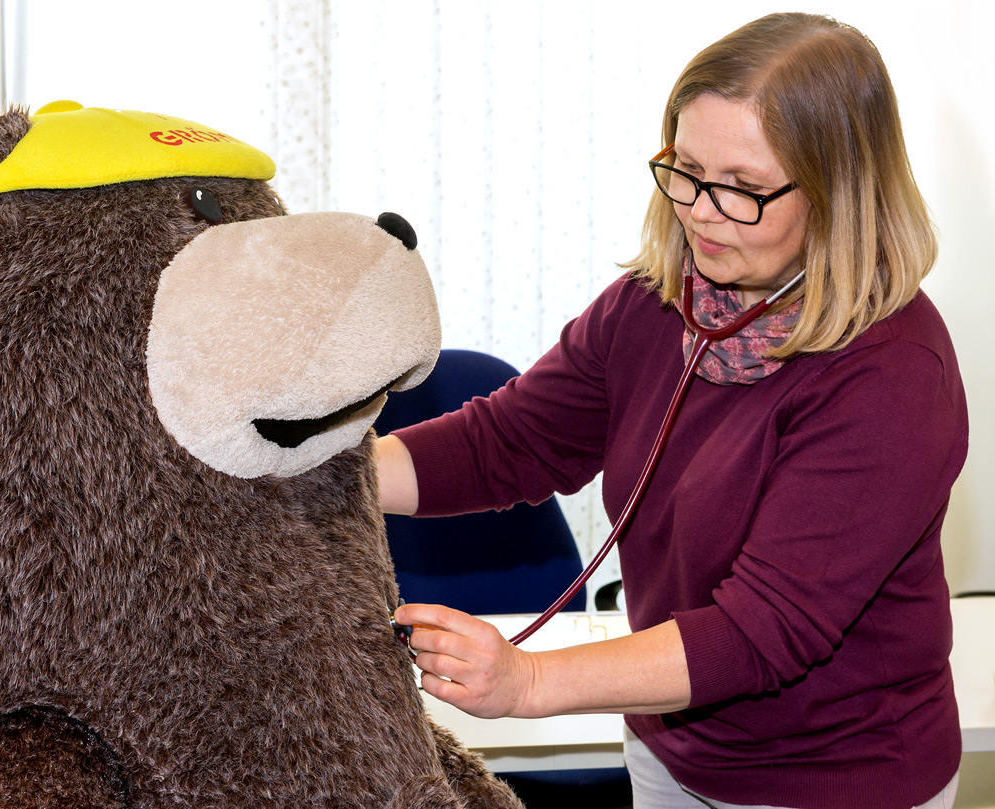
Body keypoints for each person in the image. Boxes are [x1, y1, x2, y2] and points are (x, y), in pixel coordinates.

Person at [378, 12, 967, 809]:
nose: (701, 211)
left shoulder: (893, 374)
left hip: (836, 777)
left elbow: (763, 628)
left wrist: (526, 680)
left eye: (745, 189)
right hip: (671, 748)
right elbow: (510, 440)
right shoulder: (655, 306)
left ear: (841, 190)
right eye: (686, 169)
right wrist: (327, 472)